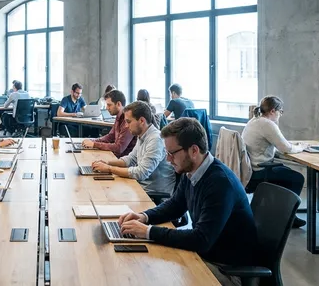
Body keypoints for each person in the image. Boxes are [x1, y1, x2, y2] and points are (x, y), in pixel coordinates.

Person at [118, 118, 257, 286]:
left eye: (172, 153)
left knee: (154, 275)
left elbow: (201, 239)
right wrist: (144, 217)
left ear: (193, 150)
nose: (168, 159)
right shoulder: (191, 171)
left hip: (226, 270)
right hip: (206, 255)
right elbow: (175, 205)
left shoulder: (220, 183)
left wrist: (148, 232)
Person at [241, 95, 307, 228]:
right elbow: (286, 148)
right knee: (297, 178)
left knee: (286, 172)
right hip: (259, 171)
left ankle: (281, 213)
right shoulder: (267, 124)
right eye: (280, 111)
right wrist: (302, 147)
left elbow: (266, 146)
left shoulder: (254, 120)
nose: (280, 115)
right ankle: (288, 217)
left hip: (250, 169)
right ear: (272, 111)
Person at [91, 101, 176, 197]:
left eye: (128, 122)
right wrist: (107, 163)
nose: (126, 126)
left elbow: (141, 173)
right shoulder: (142, 135)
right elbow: (130, 159)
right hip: (142, 187)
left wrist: (109, 169)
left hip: (153, 195)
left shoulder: (155, 139)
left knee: (106, 194)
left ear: (142, 121)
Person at [81, 89, 136, 158]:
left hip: (123, 161)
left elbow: (119, 148)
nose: (107, 108)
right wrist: (92, 141)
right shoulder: (118, 117)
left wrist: (94, 144)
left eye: (109, 105)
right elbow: (110, 136)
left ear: (118, 104)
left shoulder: (127, 120)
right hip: (116, 156)